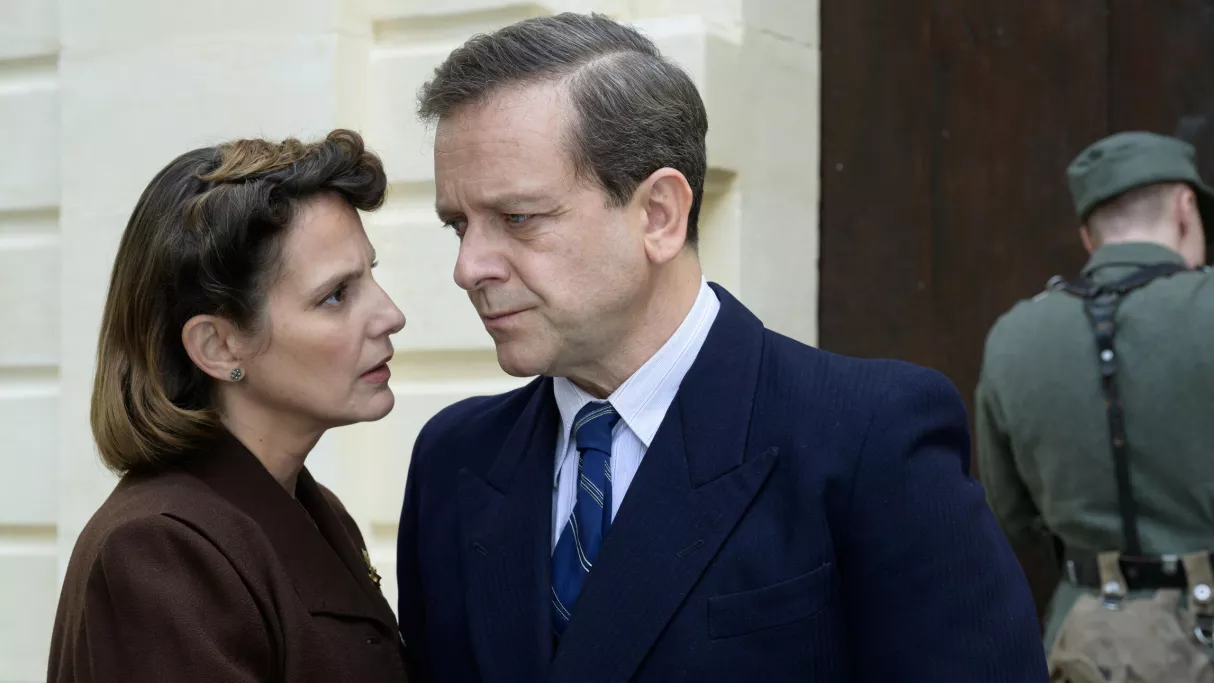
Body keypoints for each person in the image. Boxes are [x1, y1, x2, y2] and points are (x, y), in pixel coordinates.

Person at [395, 12, 1046, 683]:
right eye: (458, 226)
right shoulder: (454, 459)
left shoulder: (868, 436)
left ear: (659, 215)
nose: (469, 267)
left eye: (517, 218)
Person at [48, 130, 409, 682]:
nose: (390, 315)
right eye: (336, 295)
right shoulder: (159, 548)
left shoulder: (314, 511)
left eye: (371, 275)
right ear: (217, 346)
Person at [976, 132, 1214, 653]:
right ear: (1185, 209)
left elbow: (1008, 517)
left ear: (1088, 237)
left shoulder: (1014, 336)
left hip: (1087, 645)